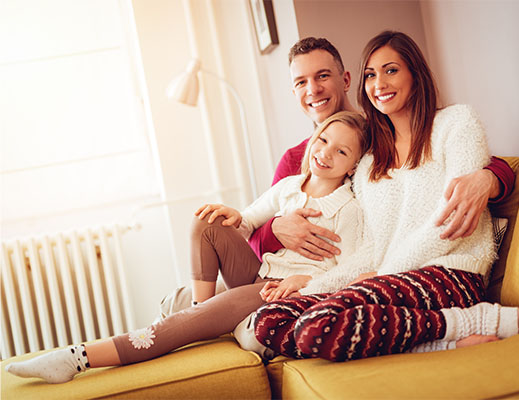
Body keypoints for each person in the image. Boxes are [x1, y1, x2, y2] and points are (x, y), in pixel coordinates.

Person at [156, 36, 516, 317]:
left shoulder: (381, 134)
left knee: (209, 308)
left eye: (322, 76)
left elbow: (476, 167)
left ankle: (201, 310)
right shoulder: (295, 159)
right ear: (294, 91)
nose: (313, 90)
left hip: (346, 273)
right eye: (301, 82)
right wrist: (275, 228)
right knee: (180, 299)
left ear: (345, 80)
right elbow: (256, 242)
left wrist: (490, 178)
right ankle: (193, 306)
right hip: (287, 274)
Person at [252, 31, 519, 362]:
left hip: (450, 273)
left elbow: (449, 224)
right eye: (371, 74)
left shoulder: (456, 124)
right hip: (391, 280)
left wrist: (383, 274)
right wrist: (315, 283)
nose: (379, 83)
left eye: (391, 70)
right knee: (271, 321)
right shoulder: (367, 162)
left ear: (415, 74)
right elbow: (371, 247)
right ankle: (440, 342)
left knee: (315, 327)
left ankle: (477, 319)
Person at [5, 111, 371, 383]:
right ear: (315, 137)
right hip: (260, 272)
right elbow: (245, 222)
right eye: (323, 140)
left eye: (341, 152)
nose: (325, 153)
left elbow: (350, 270)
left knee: (180, 322)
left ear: (354, 164)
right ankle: (203, 310)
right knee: (207, 221)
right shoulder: (291, 185)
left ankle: (76, 358)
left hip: (279, 291)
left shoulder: (349, 208)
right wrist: (231, 215)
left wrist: (302, 282)